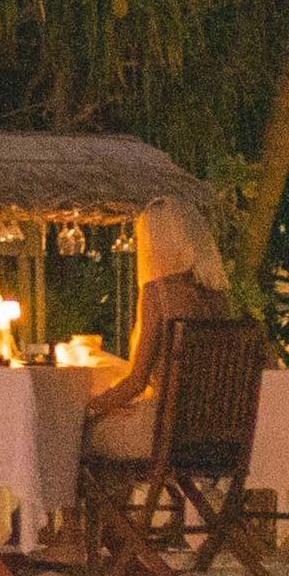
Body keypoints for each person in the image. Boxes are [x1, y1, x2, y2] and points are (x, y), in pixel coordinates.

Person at [83, 197, 231, 461]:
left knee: (82, 435)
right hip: (216, 432)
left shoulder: (158, 293)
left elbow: (137, 382)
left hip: (166, 432)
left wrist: (89, 409)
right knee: (118, 418)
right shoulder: (217, 296)